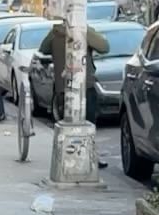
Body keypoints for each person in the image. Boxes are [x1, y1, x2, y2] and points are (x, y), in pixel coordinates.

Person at [39, 18, 111, 166]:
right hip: (84, 86)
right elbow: (104, 47)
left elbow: (44, 49)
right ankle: (89, 157)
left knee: (68, 126)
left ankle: (70, 157)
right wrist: (84, 30)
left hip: (63, 88)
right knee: (88, 124)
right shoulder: (82, 32)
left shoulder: (56, 33)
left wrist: (57, 31)